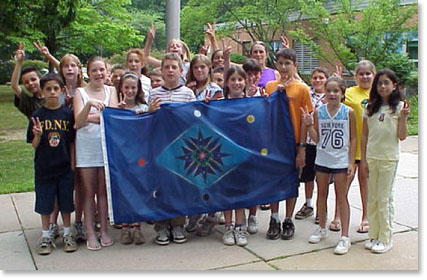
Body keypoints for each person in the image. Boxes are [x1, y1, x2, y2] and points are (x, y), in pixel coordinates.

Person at [301, 76, 356, 255]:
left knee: (342, 196)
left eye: (336, 91)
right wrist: (309, 126)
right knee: (321, 194)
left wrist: (351, 161)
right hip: (322, 159)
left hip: (340, 160)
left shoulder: (348, 112)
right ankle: (322, 228)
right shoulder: (319, 111)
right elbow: (317, 138)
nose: (332, 94)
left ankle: (345, 236)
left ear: (342, 93)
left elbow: (353, 138)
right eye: (329, 90)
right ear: (325, 92)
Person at [148, 53, 197, 245]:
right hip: (159, 146)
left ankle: (178, 224)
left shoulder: (187, 94)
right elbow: (146, 121)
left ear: (181, 70)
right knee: (160, 187)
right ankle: (161, 225)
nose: (170, 70)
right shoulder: (154, 94)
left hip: (181, 148)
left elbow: (194, 119)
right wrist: (150, 112)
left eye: (173, 67)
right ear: (161, 70)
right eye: (166, 67)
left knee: (179, 186)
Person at [265, 48, 312, 241]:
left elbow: (305, 120)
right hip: (273, 142)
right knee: (274, 182)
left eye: (288, 64)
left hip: (293, 142)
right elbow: (264, 113)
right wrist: (275, 95)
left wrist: (301, 147)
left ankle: (288, 219)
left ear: (295, 66)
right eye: (280, 63)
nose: (284, 68)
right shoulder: (269, 86)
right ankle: (274, 218)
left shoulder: (302, 89)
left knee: (292, 182)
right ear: (276, 65)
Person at [27, 73, 77, 255]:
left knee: (66, 203)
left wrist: (72, 163)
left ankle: (68, 233)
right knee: (45, 203)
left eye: (56, 88)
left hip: (64, 167)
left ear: (62, 90)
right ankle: (46, 235)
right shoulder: (37, 115)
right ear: (42, 91)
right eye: (48, 89)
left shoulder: (67, 114)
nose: (52, 92)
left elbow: (71, 141)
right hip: (44, 167)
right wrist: (38, 135)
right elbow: (33, 144)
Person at [361, 69, 409, 254]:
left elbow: (402, 136)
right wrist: (363, 160)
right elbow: (365, 135)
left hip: (389, 158)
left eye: (386, 83)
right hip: (372, 157)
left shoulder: (399, 107)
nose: (382, 86)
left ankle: (386, 237)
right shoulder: (370, 107)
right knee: (372, 198)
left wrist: (403, 118)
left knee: (384, 198)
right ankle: (374, 234)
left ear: (394, 85)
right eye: (379, 83)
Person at [73, 56, 118, 251]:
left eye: (102, 70)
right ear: (87, 73)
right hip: (86, 148)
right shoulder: (80, 93)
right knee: (88, 192)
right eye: (94, 71)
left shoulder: (112, 91)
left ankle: (104, 230)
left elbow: (113, 117)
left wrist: (90, 117)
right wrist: (90, 106)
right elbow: (77, 122)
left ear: (107, 72)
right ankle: (90, 232)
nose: (99, 74)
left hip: (105, 147)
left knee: (103, 191)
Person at [330, 60, 376, 233]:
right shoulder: (349, 93)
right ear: (355, 76)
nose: (364, 76)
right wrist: (337, 81)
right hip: (348, 147)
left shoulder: (378, 93)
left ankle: (366, 217)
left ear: (374, 75)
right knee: (343, 184)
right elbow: (332, 101)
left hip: (369, 148)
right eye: (361, 74)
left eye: (368, 73)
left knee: (365, 184)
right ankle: (338, 216)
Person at [116, 72, 150, 245]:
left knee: (137, 190)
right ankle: (125, 227)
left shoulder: (143, 108)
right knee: (123, 190)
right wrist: (118, 112)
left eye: (133, 87)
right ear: (120, 88)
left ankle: (137, 227)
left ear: (138, 89)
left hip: (139, 156)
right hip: (121, 156)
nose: (129, 91)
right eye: (126, 87)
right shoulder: (115, 108)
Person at [221, 66, 250, 247]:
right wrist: (207, 104)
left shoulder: (252, 102)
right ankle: (228, 226)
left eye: (240, 79)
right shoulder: (219, 104)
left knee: (241, 191)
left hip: (244, 154)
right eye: (233, 79)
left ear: (245, 82)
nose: (237, 83)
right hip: (223, 155)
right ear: (227, 83)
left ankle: (240, 227)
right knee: (226, 191)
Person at [295, 67, 330, 223]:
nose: (317, 80)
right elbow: (296, 77)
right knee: (308, 177)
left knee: (322, 178)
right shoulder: (307, 93)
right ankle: (308, 205)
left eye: (321, 78)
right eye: (315, 77)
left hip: (324, 143)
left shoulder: (331, 96)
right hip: (309, 142)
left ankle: (321, 208)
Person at [10, 43, 43, 119]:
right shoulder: (28, 102)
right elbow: (14, 85)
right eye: (26, 82)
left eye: (33, 79)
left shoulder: (53, 96)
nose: (30, 83)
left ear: (40, 79)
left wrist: (48, 56)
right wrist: (19, 62)